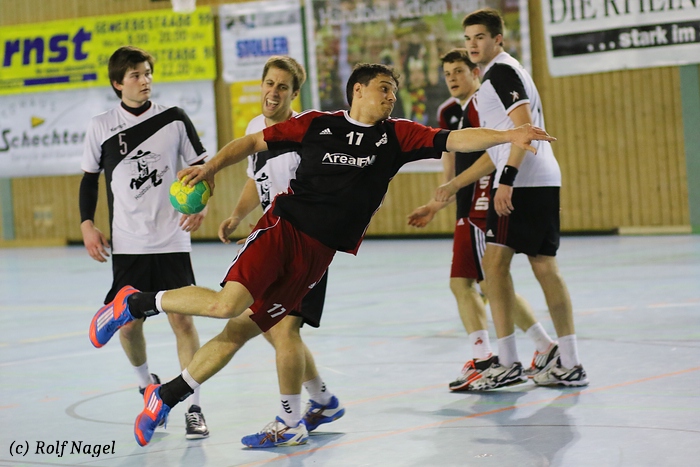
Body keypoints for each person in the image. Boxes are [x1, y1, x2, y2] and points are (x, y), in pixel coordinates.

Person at [88, 62, 556, 447]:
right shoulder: (318, 125)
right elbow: (253, 144)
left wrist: (507, 136)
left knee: (244, 330)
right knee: (226, 306)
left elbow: (453, 139)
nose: (391, 98)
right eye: (384, 89)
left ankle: (169, 398)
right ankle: (133, 302)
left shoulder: (397, 136)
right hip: (283, 231)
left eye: (394, 92)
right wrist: (210, 167)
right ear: (358, 91)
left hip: (318, 256)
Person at [436, 9, 588, 390]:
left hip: (524, 182)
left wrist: (507, 180)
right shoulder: (507, 72)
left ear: (497, 39)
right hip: (541, 177)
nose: (473, 44)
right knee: (541, 267)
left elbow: (524, 129)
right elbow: (506, 141)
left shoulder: (501, 73)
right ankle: (568, 361)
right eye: (468, 38)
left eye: (480, 37)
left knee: (494, 268)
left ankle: (507, 362)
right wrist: (454, 186)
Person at [408, 49, 558, 391]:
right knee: (483, 284)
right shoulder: (448, 111)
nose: (452, 78)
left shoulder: (484, 103)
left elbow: (497, 154)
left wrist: (473, 187)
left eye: (458, 71)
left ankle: (489, 358)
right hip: (465, 203)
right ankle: (541, 347)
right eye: (447, 73)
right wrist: (436, 203)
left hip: (483, 200)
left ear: (475, 73)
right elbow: (450, 164)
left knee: (475, 282)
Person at [214, 56, 344, 448]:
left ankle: (290, 420)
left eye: (282, 87)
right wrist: (238, 215)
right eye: (269, 83)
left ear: (294, 94)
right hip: (274, 243)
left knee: (283, 328)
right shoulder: (255, 128)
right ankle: (323, 401)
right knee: (273, 327)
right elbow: (256, 179)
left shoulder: (306, 136)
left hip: (305, 248)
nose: (273, 92)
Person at [80, 46, 209, 439]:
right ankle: (145, 386)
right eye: (135, 75)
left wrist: (202, 203)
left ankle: (194, 407)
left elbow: (202, 166)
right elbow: (89, 180)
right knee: (127, 325)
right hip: (129, 241)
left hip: (172, 237)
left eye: (148, 73)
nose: (144, 80)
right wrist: (87, 224)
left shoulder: (174, 118)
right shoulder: (101, 125)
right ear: (118, 83)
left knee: (182, 321)